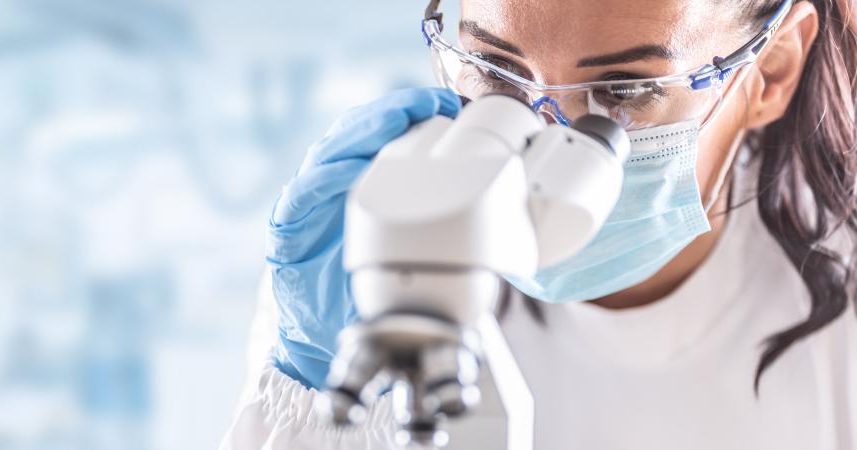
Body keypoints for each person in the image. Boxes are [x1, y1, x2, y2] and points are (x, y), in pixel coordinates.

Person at [221, 0, 857, 449]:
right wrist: (314, 407)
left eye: (622, 92)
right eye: (497, 75)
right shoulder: (370, 260)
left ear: (770, 70)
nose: (546, 140)